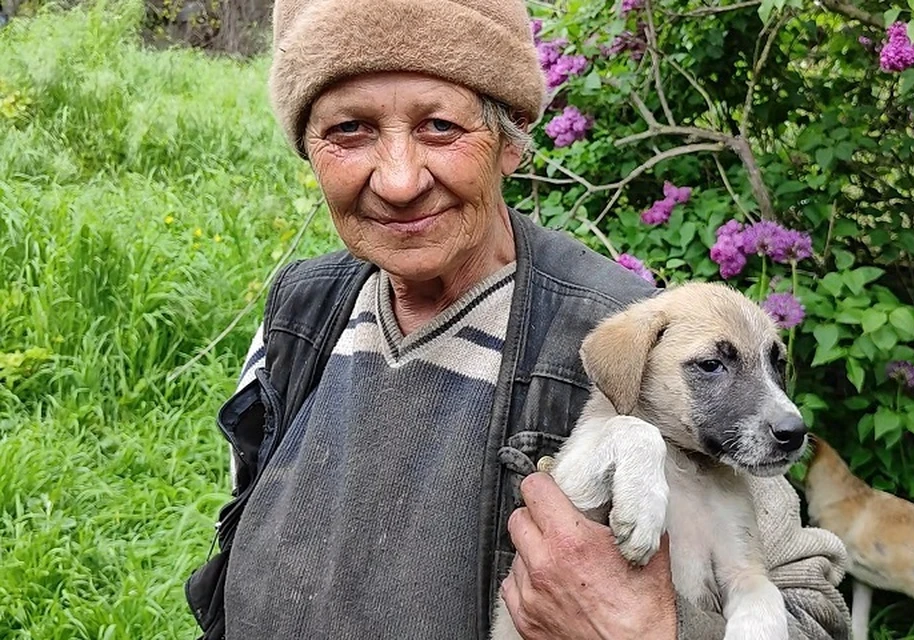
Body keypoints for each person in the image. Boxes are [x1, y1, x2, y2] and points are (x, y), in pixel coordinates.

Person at [184, 1, 852, 639]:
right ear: (308, 151)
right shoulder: (302, 309)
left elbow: (808, 611)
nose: (397, 180)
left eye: (440, 126)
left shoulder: (626, 344)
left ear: (510, 143)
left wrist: (654, 629)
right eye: (347, 130)